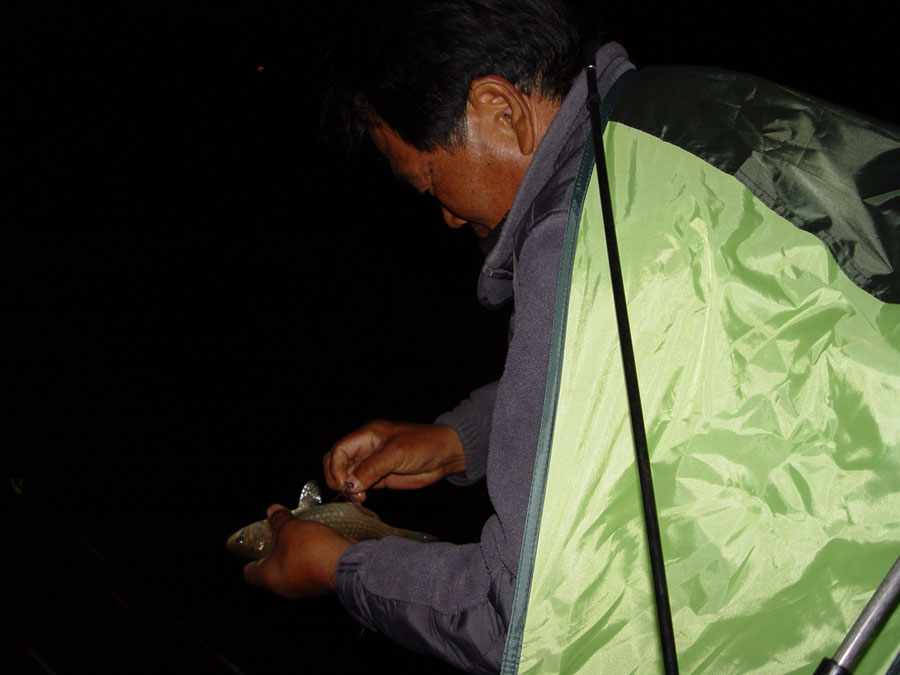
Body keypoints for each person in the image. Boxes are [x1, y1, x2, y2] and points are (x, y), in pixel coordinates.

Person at [243, 1, 900, 672]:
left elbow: (528, 615)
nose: (446, 218)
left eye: (430, 181)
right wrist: (462, 438)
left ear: (501, 109)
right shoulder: (688, 115)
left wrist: (340, 568)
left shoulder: (576, 231)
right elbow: (682, 364)